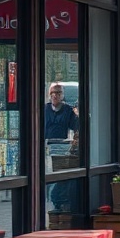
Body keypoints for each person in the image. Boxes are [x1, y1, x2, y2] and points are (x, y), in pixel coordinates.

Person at [44, 82, 79, 210]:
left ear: (62, 95)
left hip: (61, 147)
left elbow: (77, 127)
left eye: (58, 93)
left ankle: (56, 200)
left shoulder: (68, 111)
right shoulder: (45, 109)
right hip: (46, 147)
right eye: (52, 93)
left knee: (59, 175)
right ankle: (50, 198)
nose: (55, 96)